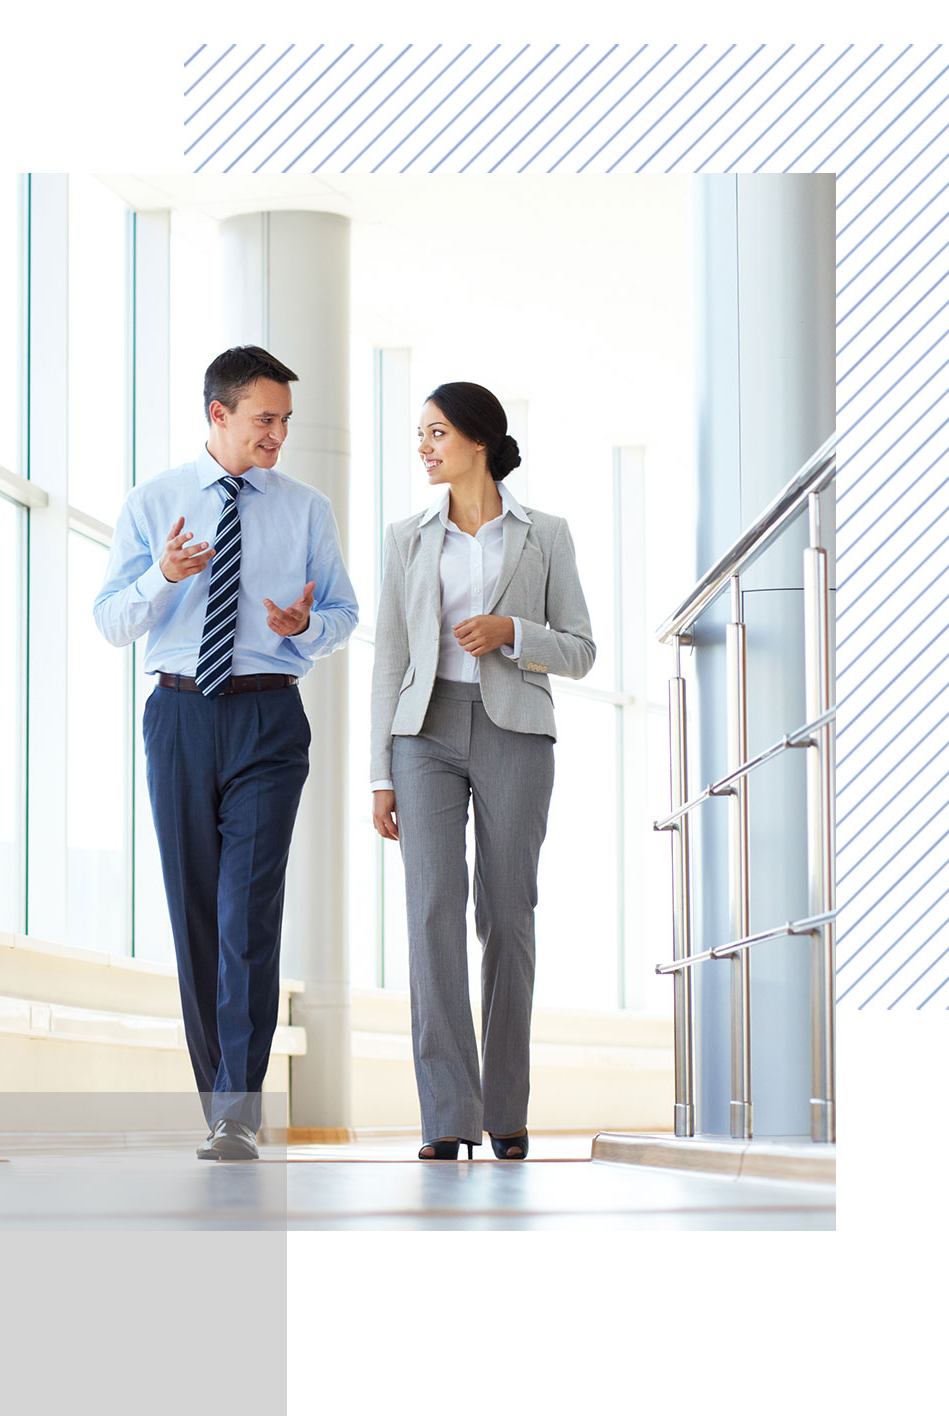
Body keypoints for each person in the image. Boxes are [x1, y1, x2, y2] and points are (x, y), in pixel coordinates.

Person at [94, 345, 358, 1160]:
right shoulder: (155, 501)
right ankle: (221, 1103)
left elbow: (343, 614)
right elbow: (110, 619)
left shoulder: (307, 509)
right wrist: (161, 578)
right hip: (178, 716)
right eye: (264, 419)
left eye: (284, 421)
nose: (278, 434)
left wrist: (301, 629)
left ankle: (238, 1111)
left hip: (269, 718)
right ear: (219, 414)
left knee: (249, 912)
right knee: (197, 913)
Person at [369, 382, 595, 1161]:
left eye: (436, 433)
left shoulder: (545, 536)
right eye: (420, 434)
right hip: (423, 735)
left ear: (477, 440)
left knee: (507, 916)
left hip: (515, 733)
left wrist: (513, 631)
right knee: (432, 912)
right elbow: (389, 661)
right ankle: (448, 1115)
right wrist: (379, 774)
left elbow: (581, 648)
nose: (425, 447)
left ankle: (505, 1109)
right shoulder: (405, 537)